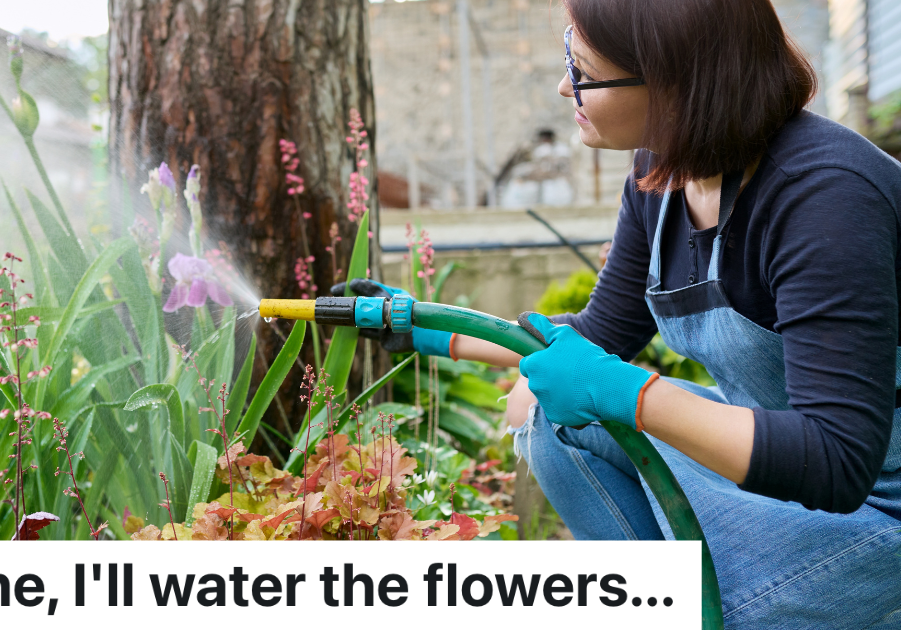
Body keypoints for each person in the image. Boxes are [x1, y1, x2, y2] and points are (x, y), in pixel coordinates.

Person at [340, 0, 901, 626]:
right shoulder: (662, 176)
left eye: (582, 70)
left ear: (673, 79)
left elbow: (837, 459)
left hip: (877, 512)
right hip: (792, 481)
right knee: (560, 422)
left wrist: (626, 392)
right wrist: (426, 327)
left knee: (710, 605)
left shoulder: (827, 196)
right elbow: (598, 336)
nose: (564, 87)